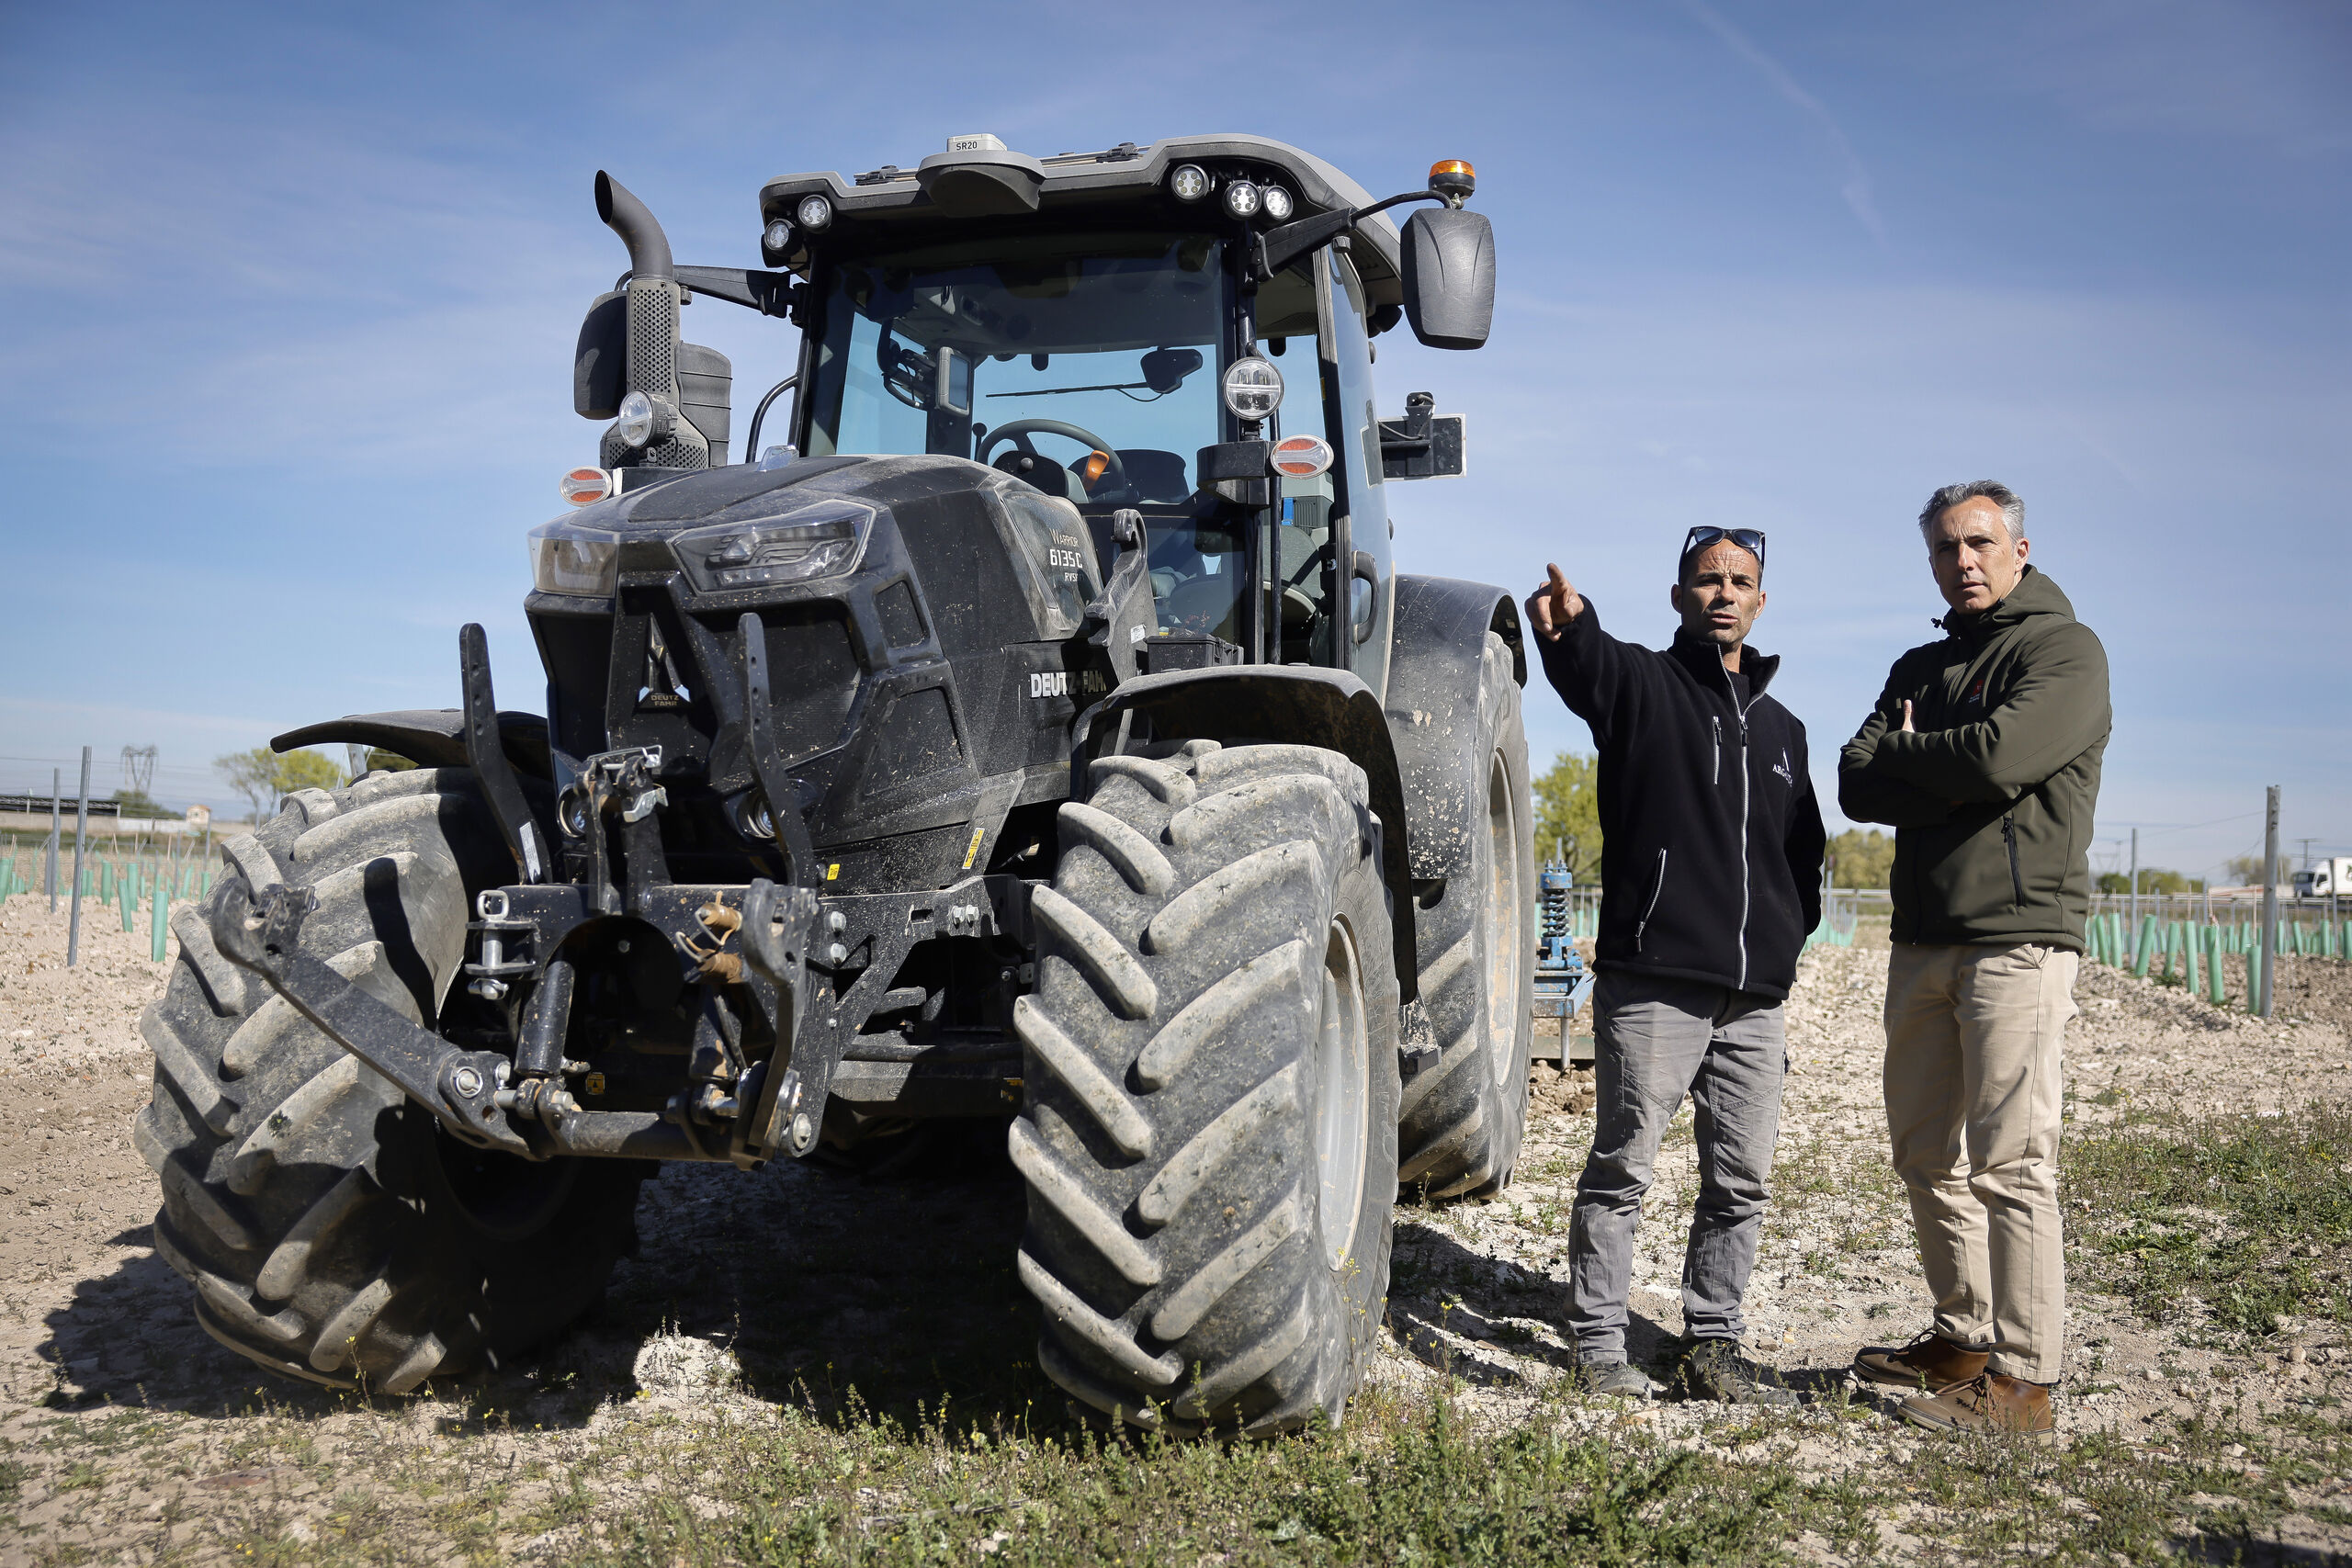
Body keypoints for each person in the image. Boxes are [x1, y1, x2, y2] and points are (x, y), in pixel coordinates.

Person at [1525, 528, 1826, 1404]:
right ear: (1680, 595)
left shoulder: (1785, 731)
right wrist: (1568, 631)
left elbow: (1801, 857)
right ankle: (1596, 1343)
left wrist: (1777, 939)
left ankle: (1713, 1347)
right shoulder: (1643, 688)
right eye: (1707, 579)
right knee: (1624, 1166)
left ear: (1760, 602)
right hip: (1655, 982)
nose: (1724, 593)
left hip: (1752, 1001)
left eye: (1740, 581)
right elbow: (1593, 669)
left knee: (1742, 1181)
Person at [1838, 480, 2109, 1436]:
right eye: (1946, 547)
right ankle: (1961, 1335)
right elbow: (1854, 780)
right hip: (1921, 941)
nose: (1964, 560)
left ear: (2020, 549)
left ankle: (2025, 1384)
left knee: (2011, 1160)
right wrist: (1940, 770)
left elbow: (2000, 760)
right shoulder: (1919, 660)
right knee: (1923, 1153)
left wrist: (1923, 757)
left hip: (2017, 938)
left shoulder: (2063, 653)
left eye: (1981, 542)